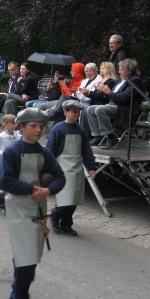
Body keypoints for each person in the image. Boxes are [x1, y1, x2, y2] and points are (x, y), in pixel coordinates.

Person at [0, 108, 65, 299]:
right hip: (18, 207)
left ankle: (17, 292)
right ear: (22, 127)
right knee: (26, 254)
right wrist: (31, 190)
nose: (38, 130)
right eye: (33, 126)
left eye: (41, 126)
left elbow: (60, 177)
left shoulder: (45, 152)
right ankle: (21, 296)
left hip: (38, 208)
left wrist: (47, 191)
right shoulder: (12, 151)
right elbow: (4, 181)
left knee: (31, 254)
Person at [46, 100, 96, 236]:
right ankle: (55, 218)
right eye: (74, 112)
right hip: (62, 167)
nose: (77, 114)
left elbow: (86, 150)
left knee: (74, 198)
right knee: (65, 197)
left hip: (77, 167)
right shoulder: (58, 129)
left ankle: (67, 224)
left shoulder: (80, 130)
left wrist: (91, 166)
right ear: (65, 112)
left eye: (78, 112)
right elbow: (50, 149)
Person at [85, 58, 143, 149]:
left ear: (129, 71)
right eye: (119, 69)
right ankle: (97, 136)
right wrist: (103, 90)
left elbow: (124, 98)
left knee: (100, 110)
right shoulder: (120, 80)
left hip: (125, 108)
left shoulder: (135, 81)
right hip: (113, 104)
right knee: (90, 109)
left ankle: (111, 137)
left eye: (121, 69)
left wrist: (109, 92)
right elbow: (112, 95)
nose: (119, 71)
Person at [0, 114, 20, 215]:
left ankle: (12, 205)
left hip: (15, 163)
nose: (15, 125)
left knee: (15, 182)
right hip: (4, 162)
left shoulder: (18, 136)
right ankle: (1, 206)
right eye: (13, 123)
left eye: (16, 123)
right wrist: (3, 153)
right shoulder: (1, 136)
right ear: (6, 124)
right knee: (2, 184)